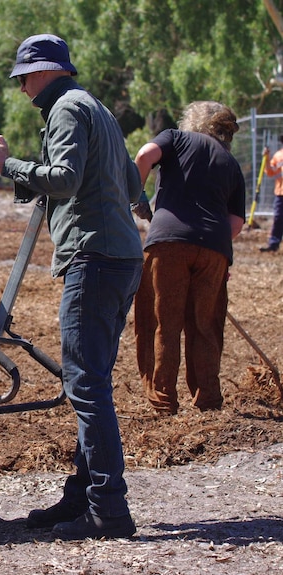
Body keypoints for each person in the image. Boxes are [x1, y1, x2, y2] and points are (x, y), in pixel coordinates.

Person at [0, 34, 143, 540]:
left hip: (92, 259)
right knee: (90, 381)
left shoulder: (67, 109)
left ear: (46, 71)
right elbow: (134, 187)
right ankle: (83, 499)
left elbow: (66, 178)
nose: (23, 87)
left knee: (87, 386)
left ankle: (109, 510)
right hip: (120, 258)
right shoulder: (98, 109)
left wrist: (5, 165)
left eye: (25, 76)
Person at [133, 102, 245, 415]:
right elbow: (235, 224)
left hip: (168, 242)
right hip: (214, 250)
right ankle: (207, 401)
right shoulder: (231, 163)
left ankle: (163, 401)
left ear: (192, 120)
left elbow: (143, 156)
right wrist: (217, 252)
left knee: (161, 322)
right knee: (206, 326)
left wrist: (136, 195)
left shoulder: (176, 138)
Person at [259, 136, 283, 252]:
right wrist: (266, 157)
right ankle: (274, 244)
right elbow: (270, 171)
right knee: (278, 218)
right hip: (280, 193)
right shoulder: (279, 156)